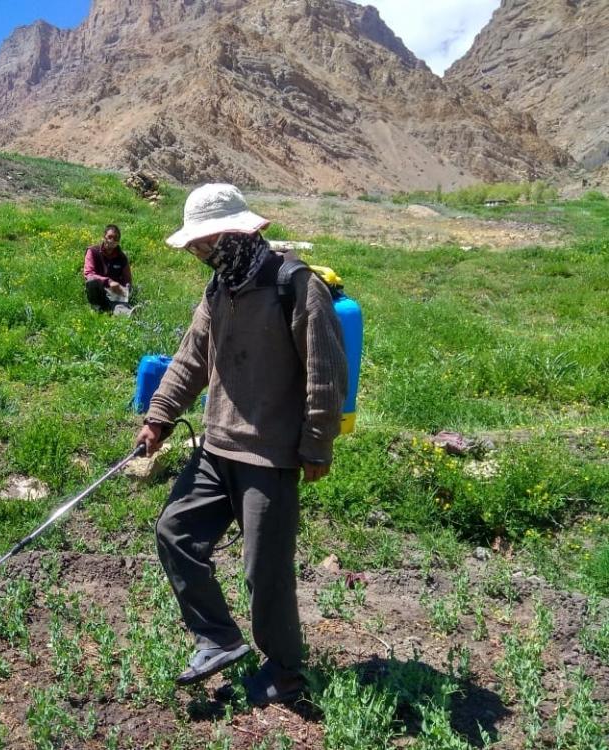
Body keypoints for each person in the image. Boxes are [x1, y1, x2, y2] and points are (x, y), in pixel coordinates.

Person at [134, 184, 347, 706]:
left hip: (269, 456)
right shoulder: (219, 289)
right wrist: (159, 417)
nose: (197, 253)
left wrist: (317, 443)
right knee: (175, 531)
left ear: (234, 233)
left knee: (264, 572)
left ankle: (286, 673)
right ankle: (219, 638)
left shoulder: (294, 285)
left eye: (203, 242)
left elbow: (325, 372)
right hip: (216, 447)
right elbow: (189, 359)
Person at [84, 224, 134, 315]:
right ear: (104, 237)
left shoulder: (122, 257)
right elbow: (89, 274)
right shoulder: (93, 251)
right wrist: (109, 282)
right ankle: (96, 307)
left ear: (118, 241)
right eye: (109, 237)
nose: (112, 241)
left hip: (115, 293)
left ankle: (130, 314)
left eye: (115, 238)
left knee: (119, 306)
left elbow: (127, 279)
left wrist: (126, 289)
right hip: (99, 290)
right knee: (91, 281)